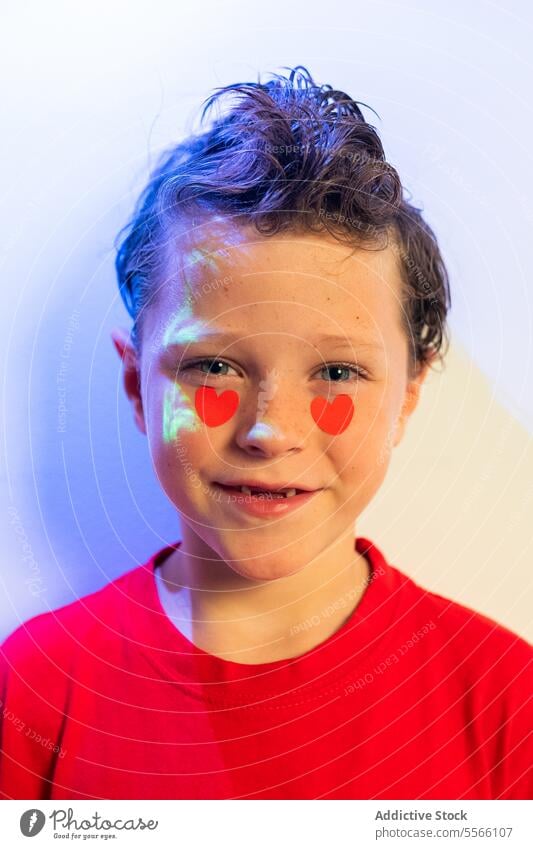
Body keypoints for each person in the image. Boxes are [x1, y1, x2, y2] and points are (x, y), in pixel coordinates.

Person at [1, 66, 531, 801]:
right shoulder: (34, 690)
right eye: (214, 365)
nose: (269, 430)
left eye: (338, 372)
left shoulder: (507, 703)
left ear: (409, 393)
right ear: (135, 383)